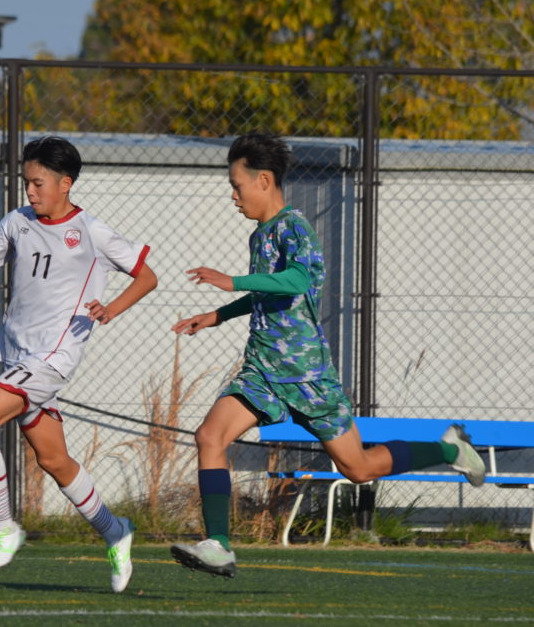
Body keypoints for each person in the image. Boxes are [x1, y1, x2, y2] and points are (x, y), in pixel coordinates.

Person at [169, 133, 486, 578]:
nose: (233, 195)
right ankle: (219, 545)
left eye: (237, 186)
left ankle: (447, 448)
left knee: (357, 468)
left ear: (263, 180)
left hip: (308, 376)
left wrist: (233, 282)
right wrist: (218, 315)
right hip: (263, 371)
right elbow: (270, 293)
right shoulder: (260, 234)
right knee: (209, 437)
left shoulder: (295, 227)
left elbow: (298, 281)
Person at [0, 136, 157, 592]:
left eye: (38, 183)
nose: (30, 192)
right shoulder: (17, 222)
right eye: (27, 183)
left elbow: (147, 276)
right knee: (53, 459)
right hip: (16, 357)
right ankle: (115, 529)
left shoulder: (92, 232)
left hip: (52, 358)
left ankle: (4, 526)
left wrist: (112, 308)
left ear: (66, 183)